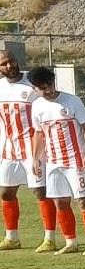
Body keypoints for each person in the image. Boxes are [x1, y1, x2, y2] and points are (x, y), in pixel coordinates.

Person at [27, 66, 85, 255]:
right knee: (60, 202)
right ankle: (71, 241)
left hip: (75, 161)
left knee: (83, 201)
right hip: (53, 162)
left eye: (50, 85)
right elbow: (39, 133)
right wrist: (35, 159)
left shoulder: (72, 100)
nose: (48, 90)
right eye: (43, 88)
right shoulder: (37, 106)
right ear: (35, 89)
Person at [0, 50, 50, 251]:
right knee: (6, 193)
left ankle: (50, 237)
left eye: (11, 61)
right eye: (4, 63)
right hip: (9, 150)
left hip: (34, 150)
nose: (10, 66)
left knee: (40, 192)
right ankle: (12, 237)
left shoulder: (32, 84)